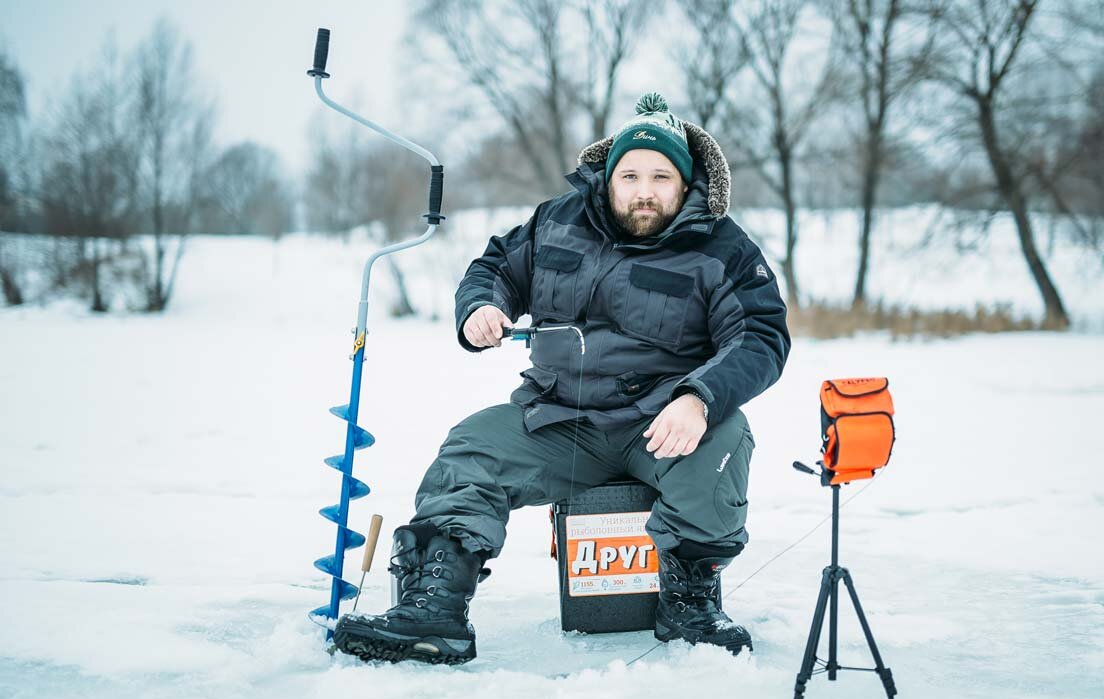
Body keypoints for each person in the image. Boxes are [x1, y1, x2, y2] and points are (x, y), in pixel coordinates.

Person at [333, 93, 790, 664]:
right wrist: (482, 305)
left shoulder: (724, 247)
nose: (644, 190)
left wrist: (700, 398)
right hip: (561, 418)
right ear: (609, 177)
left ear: (686, 181)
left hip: (663, 422)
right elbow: (496, 267)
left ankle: (690, 603)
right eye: (630, 175)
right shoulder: (557, 221)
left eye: (660, 176)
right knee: (471, 447)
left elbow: (761, 336)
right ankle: (436, 610)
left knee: (725, 437)